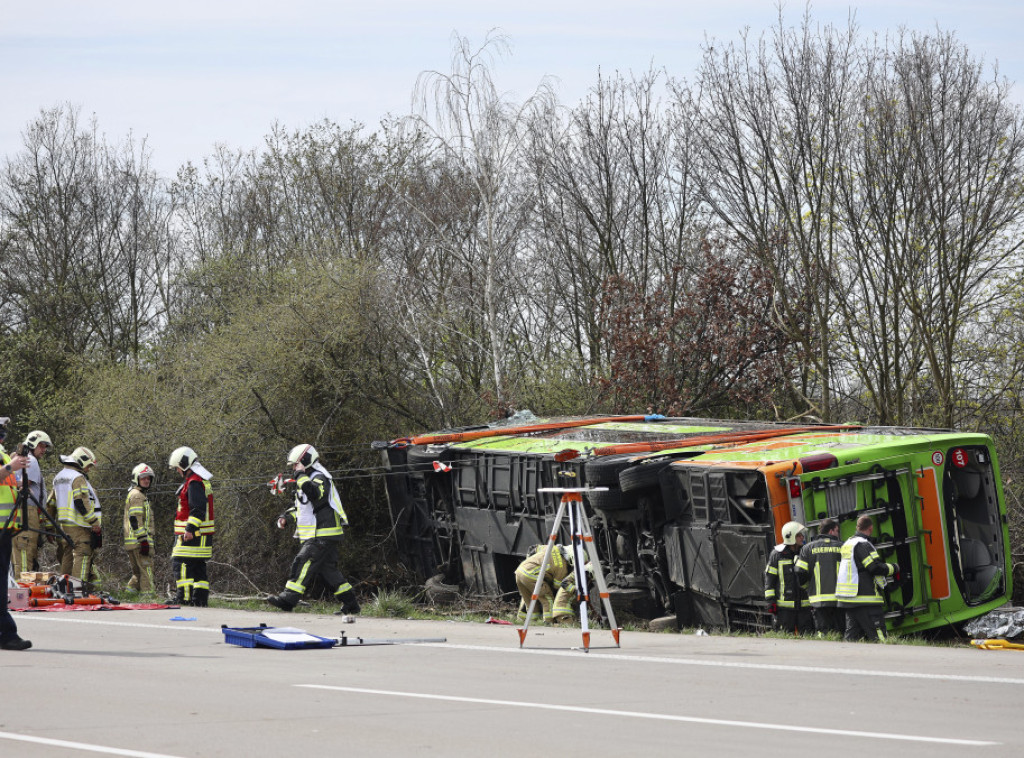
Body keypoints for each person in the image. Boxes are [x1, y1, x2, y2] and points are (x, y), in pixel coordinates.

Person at [266, 444, 360, 615]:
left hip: (323, 533)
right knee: (329, 571)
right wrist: (285, 518)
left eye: (296, 464)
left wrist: (301, 475)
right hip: (317, 533)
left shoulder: (319, 477)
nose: (294, 468)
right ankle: (351, 604)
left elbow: (315, 494)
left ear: (305, 460)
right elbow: (301, 508)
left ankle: (288, 599)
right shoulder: (305, 480)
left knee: (302, 562)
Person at [836, 515, 898, 642]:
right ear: (870, 528)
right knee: (879, 637)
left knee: (851, 639)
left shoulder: (847, 543)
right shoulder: (863, 544)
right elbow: (873, 567)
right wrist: (893, 568)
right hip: (866, 598)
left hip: (849, 599)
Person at [168, 447, 214, 607]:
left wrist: (189, 529)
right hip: (203, 536)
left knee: (180, 563)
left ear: (184, 464)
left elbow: (198, 508)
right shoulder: (201, 479)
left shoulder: (194, 482)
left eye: (178, 468)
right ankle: (200, 600)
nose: (178, 471)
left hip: (193, 534)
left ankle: (184, 598)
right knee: (198, 567)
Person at [51, 447, 102, 581]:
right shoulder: (77, 477)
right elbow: (81, 502)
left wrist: (48, 526)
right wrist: (94, 523)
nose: (88, 469)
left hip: (64, 525)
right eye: (88, 466)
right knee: (82, 554)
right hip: (79, 525)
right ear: (82, 461)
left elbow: (50, 503)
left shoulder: (59, 477)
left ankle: (64, 588)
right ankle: (78, 590)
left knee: (67, 555)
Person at [0, 431, 31, 651]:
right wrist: (11, 466)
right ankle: (7, 634)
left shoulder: (2, 454)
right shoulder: (5, 460)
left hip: (4, 529)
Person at [11, 430, 53, 577]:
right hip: (27, 512)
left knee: (25, 553)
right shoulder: (31, 460)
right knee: (25, 552)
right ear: (33, 444)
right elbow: (24, 484)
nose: (44, 450)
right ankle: (22, 591)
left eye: (45, 447)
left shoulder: (18, 458)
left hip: (24, 512)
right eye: (41, 446)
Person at [794, 518, 844, 636]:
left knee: (823, 633)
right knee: (841, 632)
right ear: (831, 531)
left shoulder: (807, 548)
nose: (838, 534)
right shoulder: (843, 547)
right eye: (837, 531)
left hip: (818, 601)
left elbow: (800, 572)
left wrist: (808, 587)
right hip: (840, 599)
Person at [764, 520, 813, 634]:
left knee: (808, 639)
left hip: (804, 607)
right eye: (799, 535)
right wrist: (771, 602)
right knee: (785, 639)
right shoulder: (777, 554)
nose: (802, 537)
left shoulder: (804, 552)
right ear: (791, 537)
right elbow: (769, 579)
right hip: (784, 609)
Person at [514, 543, 578, 624]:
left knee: (529, 600)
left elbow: (533, 548)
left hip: (520, 571)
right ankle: (549, 623)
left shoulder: (552, 548)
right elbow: (557, 586)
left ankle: (523, 621)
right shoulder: (562, 567)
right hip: (531, 575)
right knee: (548, 598)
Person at [123, 463, 156, 595]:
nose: (146, 480)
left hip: (133, 542)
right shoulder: (137, 496)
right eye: (143, 478)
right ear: (136, 479)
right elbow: (135, 519)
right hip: (139, 541)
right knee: (146, 570)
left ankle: (128, 595)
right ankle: (148, 597)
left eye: (148, 478)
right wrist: (143, 540)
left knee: (137, 573)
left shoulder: (136, 494)